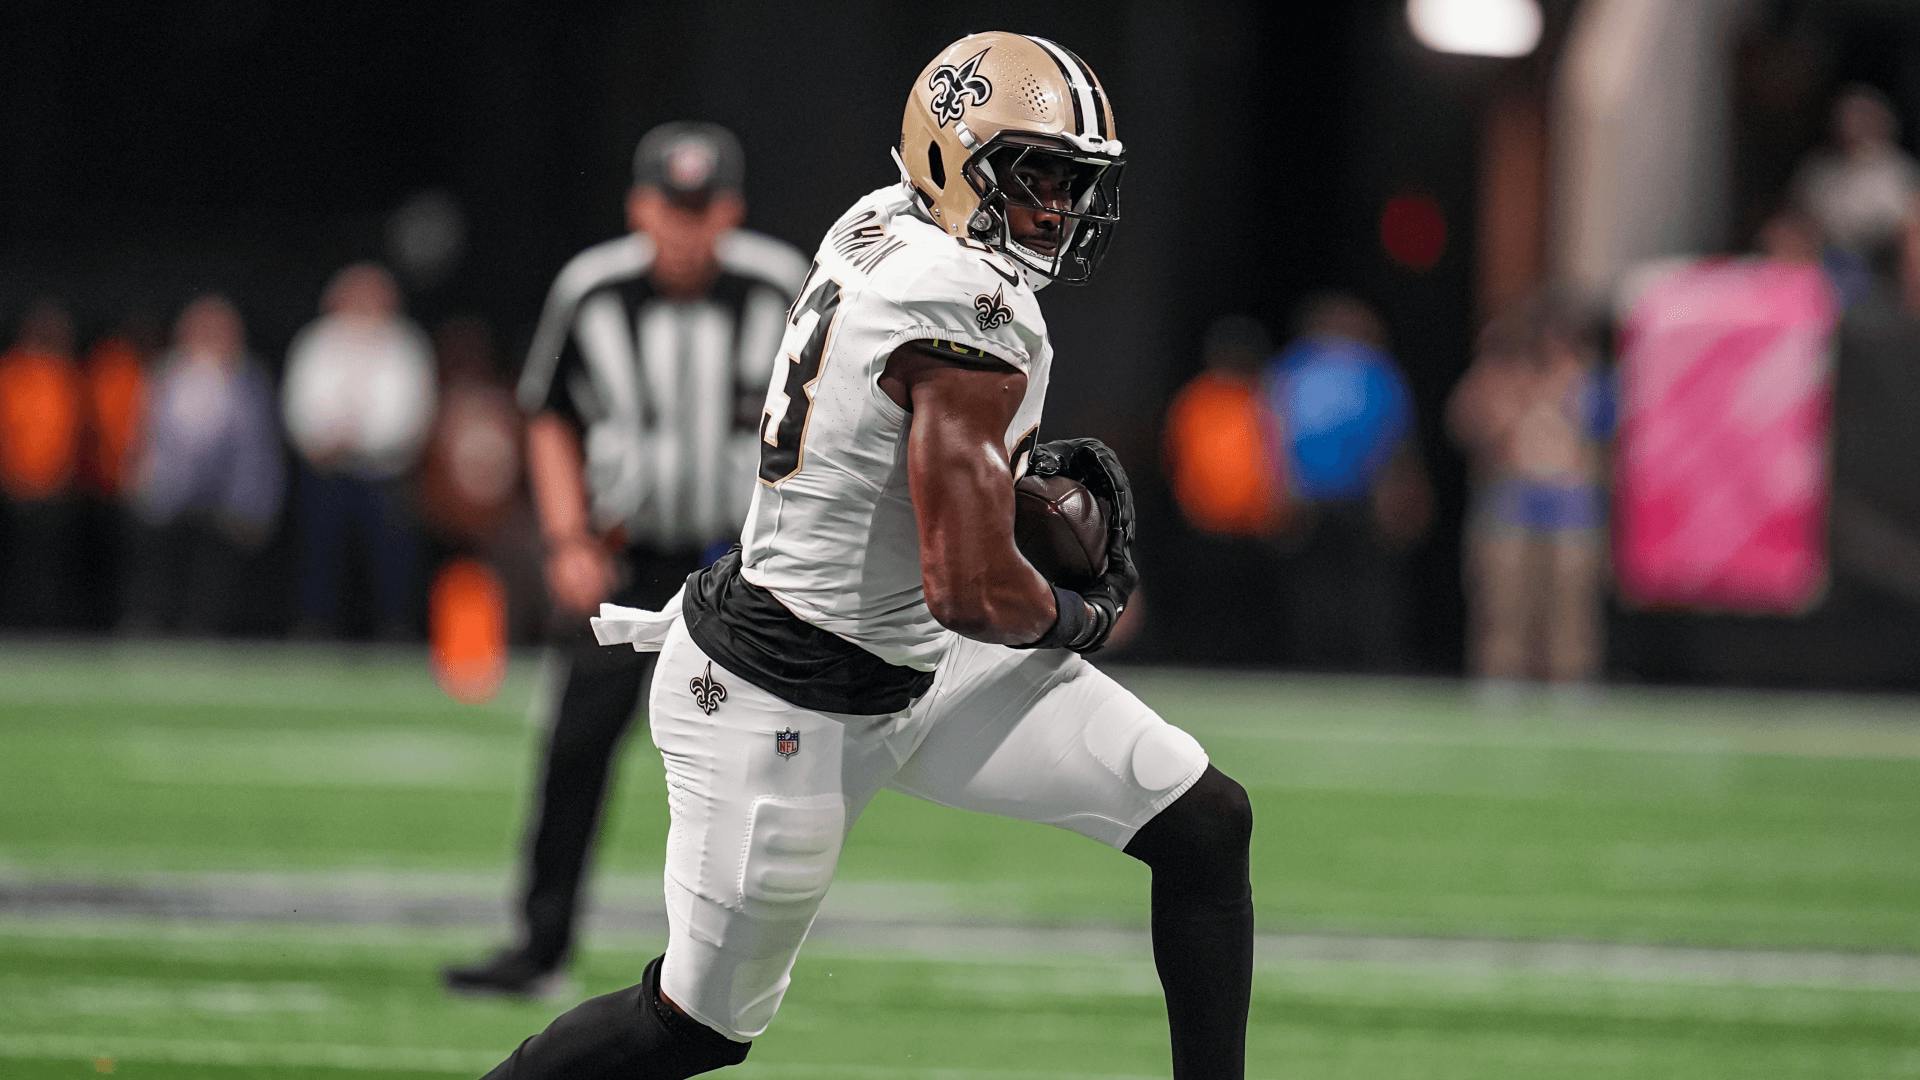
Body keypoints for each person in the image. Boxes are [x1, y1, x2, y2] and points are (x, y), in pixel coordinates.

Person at [479, 32, 1253, 1080]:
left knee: (1202, 819)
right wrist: (1088, 616)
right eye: (1039, 177)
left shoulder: (884, 216)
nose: (1060, 209)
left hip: (910, 658)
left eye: (1076, 183)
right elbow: (974, 588)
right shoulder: (966, 313)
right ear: (954, 161)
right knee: (697, 1026)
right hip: (781, 690)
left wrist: (995, 491)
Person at [443, 122, 808, 996]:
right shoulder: (594, 288)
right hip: (627, 560)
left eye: (702, 209)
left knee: (765, 764)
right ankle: (540, 943)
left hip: (741, 565)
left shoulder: (782, 285)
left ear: (732, 209)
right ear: (639, 205)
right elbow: (549, 415)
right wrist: (567, 540)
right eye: (670, 209)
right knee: (575, 747)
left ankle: (741, 965)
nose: (686, 230)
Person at [1448, 296, 1612, 684]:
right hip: (1512, 496)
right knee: (1504, 594)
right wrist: (1498, 378)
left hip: (1571, 499)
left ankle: (1572, 675)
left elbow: (1610, 439)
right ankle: (1501, 672)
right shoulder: (1503, 376)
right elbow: (1465, 425)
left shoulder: (1588, 381)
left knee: (1571, 596)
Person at [1265, 293, 1431, 671]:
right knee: (1312, 582)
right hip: (1309, 494)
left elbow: (1397, 435)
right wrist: (1281, 487)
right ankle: (1313, 661)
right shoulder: (1294, 368)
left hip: (1363, 494)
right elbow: (1274, 432)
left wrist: (1399, 490)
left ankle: (1369, 662)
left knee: (1367, 581)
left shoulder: (1374, 369)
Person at [281, 263, 437, 638]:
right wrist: (322, 439)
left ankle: (393, 632)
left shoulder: (405, 343)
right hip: (328, 469)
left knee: (390, 561)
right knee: (321, 557)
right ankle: (315, 631)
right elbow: (298, 401)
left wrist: (367, 440)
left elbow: (414, 409)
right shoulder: (318, 341)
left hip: (385, 472)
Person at [124, 294, 284, 635]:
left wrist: (255, 501)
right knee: (161, 565)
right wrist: (142, 478)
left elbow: (258, 446)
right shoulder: (167, 373)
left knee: (215, 571)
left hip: (226, 497)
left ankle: (204, 630)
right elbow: (146, 431)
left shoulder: (248, 379)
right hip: (171, 491)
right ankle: (150, 625)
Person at [0, 299, 85, 628]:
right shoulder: (10, 373)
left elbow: (75, 433)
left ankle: (47, 624)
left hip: (57, 490)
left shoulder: (67, 374)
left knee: (51, 565)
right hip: (14, 489)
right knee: (15, 563)